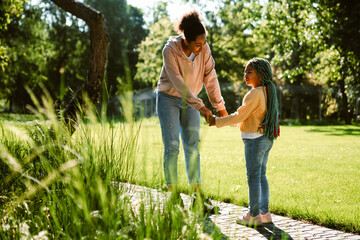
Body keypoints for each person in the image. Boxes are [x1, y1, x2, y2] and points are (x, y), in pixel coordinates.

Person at [156, 10, 228, 212]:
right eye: (198, 44)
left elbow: (210, 77)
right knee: (172, 147)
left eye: (204, 43)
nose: (202, 47)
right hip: (168, 98)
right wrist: (202, 107)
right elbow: (178, 84)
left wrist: (219, 107)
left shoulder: (203, 49)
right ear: (186, 41)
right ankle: (173, 197)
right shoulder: (169, 51)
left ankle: (197, 197)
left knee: (192, 147)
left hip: (191, 103)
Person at [209, 57, 280, 226]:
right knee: (261, 176)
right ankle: (265, 214)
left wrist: (216, 121)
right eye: (244, 72)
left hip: (254, 141)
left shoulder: (254, 93)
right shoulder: (266, 92)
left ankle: (254, 215)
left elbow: (240, 115)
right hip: (265, 139)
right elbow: (245, 119)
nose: (245, 75)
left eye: (249, 72)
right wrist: (224, 120)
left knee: (253, 177)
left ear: (261, 74)